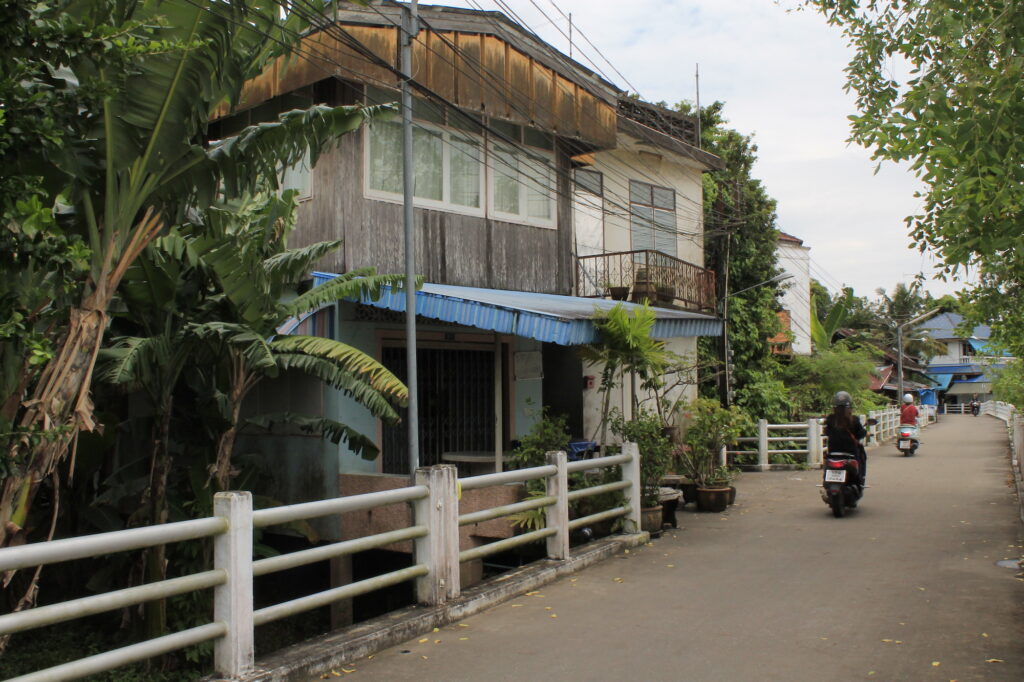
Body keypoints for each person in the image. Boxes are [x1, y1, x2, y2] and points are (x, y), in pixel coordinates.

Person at [824, 391, 868, 484]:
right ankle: (861, 479)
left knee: (827, 462)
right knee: (862, 456)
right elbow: (860, 434)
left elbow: (827, 432)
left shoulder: (830, 419)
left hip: (833, 452)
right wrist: (865, 432)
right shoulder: (854, 420)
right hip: (850, 453)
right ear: (849, 406)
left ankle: (826, 481)